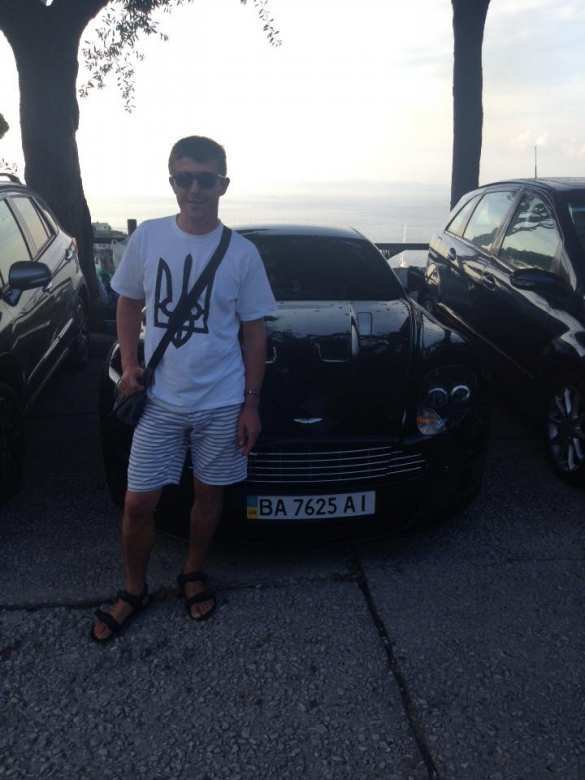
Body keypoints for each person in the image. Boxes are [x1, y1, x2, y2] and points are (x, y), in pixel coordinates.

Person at [91, 135, 276, 642]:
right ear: (172, 181)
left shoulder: (242, 254)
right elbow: (128, 303)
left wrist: (251, 405)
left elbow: (254, 332)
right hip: (160, 400)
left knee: (208, 496)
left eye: (205, 179)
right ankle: (133, 589)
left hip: (221, 400)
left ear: (223, 185)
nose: (195, 189)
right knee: (137, 503)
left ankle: (192, 573)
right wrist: (131, 365)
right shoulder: (149, 238)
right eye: (184, 178)